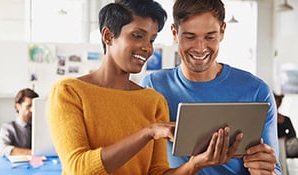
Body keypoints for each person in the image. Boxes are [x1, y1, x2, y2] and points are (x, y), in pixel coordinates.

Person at [47, 0, 243, 174]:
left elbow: (157, 172)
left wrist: (195, 165)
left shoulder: (153, 101)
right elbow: (78, 168)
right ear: (108, 36)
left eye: (151, 39)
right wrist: (147, 132)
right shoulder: (69, 92)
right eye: (137, 35)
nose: (147, 48)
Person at [140, 0, 281, 174]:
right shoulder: (153, 87)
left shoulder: (257, 91)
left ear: (222, 32)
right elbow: (143, 166)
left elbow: (274, 169)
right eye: (190, 37)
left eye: (210, 37)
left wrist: (266, 171)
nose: (200, 48)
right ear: (174, 33)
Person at [0, 88, 39, 156]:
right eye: (28, 106)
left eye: (34, 106)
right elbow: (2, 149)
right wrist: (32, 153)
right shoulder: (8, 128)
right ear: (18, 106)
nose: (32, 110)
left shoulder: (39, 127)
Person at [275, 92, 298, 158]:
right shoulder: (266, 119)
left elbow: (293, 135)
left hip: (285, 145)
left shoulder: (286, 119)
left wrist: (284, 139)